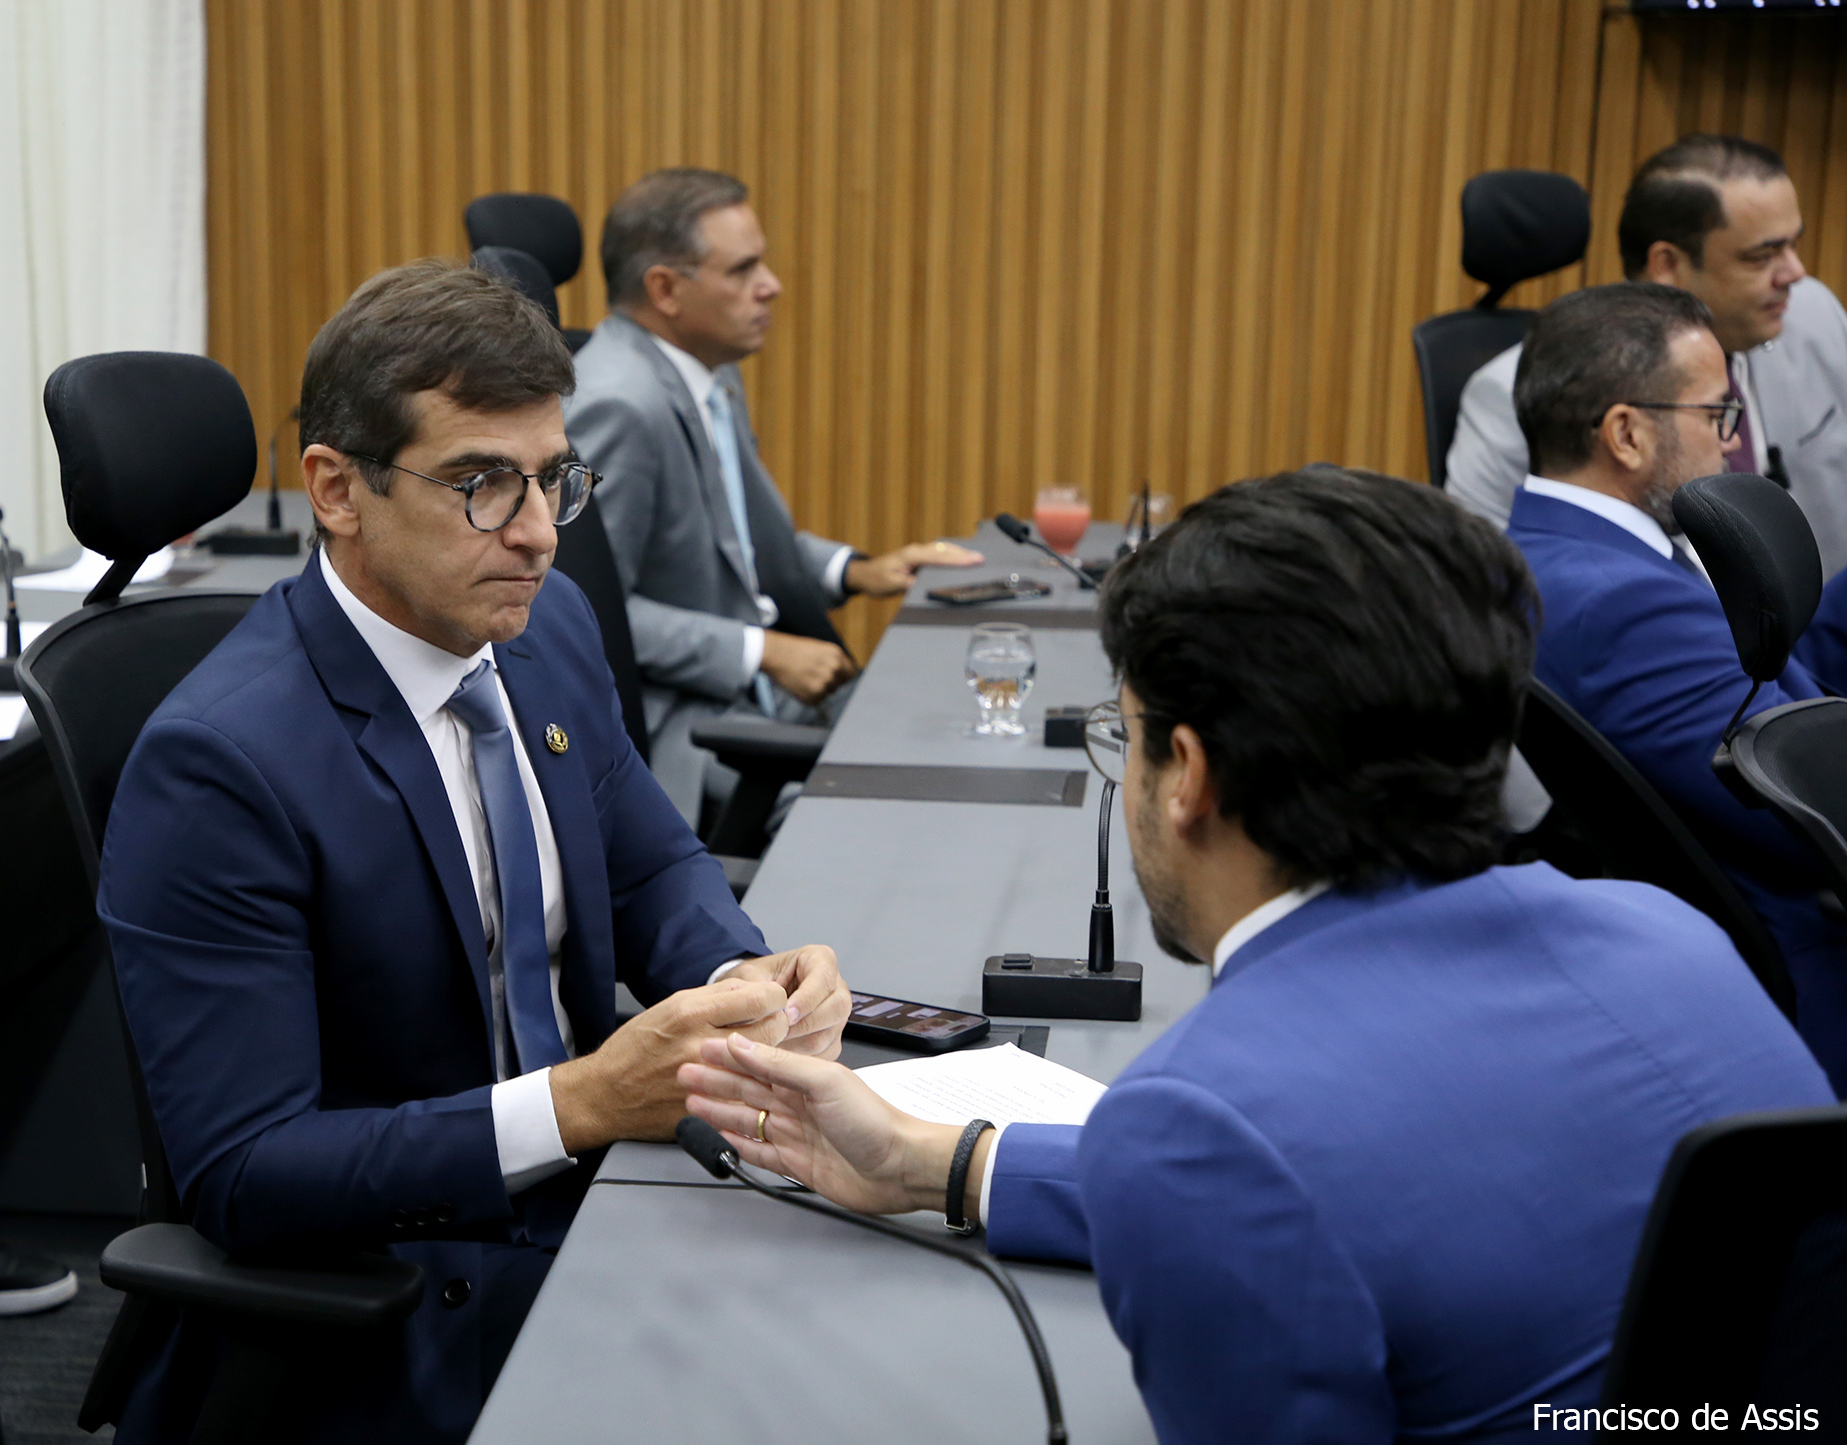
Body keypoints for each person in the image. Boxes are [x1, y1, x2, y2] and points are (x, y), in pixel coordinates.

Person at [681, 469, 1831, 1444]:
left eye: (1123, 734)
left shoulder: (1210, 1123)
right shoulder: (1675, 943)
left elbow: (1245, 1177)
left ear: (1184, 771)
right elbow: (1342, 1191)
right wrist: (930, 1161)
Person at [97, 261, 852, 1444]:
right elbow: (245, 1169)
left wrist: (735, 978)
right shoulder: (219, 763)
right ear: (336, 490)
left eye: (552, 478)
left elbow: (648, 863)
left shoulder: (543, 628)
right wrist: (580, 1102)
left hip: (597, 1199)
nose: (540, 533)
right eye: (480, 485)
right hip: (400, 1289)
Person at [1505, 281, 1847, 1089]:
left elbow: (1775, 692)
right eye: (1717, 414)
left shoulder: (1561, 556)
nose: (1735, 443)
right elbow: (1816, 813)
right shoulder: (1622, 604)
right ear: (1626, 433)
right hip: (1801, 983)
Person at [564, 168, 982, 822]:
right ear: (665, 289)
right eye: (743, 269)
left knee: (949, 729)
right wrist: (761, 650)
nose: (772, 285)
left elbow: (737, 544)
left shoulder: (709, 376)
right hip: (693, 729)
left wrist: (860, 570)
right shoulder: (620, 402)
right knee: (900, 812)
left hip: (757, 700)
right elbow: (583, 612)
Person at [1448, 135, 1847, 576]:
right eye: (1762, 256)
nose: (1795, 273)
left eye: (1793, 245)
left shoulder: (1812, 316)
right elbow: (1480, 583)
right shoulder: (1524, 392)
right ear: (1667, 264)